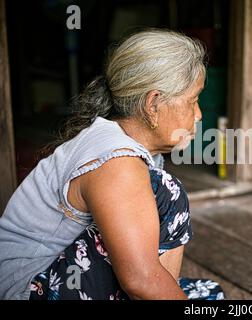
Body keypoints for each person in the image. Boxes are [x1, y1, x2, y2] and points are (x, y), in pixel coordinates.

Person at [0, 29, 224, 300]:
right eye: (193, 101)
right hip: (27, 290)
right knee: (168, 192)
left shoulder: (121, 144)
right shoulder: (116, 160)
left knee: (207, 294)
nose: (198, 114)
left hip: (55, 281)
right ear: (153, 104)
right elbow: (141, 280)